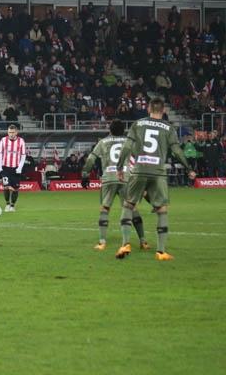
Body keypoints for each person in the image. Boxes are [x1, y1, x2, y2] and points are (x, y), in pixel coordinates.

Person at [115, 99, 196, 261]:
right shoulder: (168, 127)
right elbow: (177, 151)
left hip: (139, 170)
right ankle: (161, 252)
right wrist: (189, 168)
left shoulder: (138, 124)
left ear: (148, 108)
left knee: (129, 205)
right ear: (163, 110)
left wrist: (119, 168)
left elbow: (126, 147)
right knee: (162, 210)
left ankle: (125, 243)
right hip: (158, 172)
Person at [81, 120, 148, 251]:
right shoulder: (129, 141)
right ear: (124, 131)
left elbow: (90, 159)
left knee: (105, 208)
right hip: (126, 177)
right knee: (132, 209)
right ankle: (143, 241)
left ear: (110, 130)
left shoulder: (102, 142)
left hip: (109, 178)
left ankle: (102, 242)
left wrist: (85, 174)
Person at [0, 124, 26, 211]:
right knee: (6, 187)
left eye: (13, 132)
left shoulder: (21, 141)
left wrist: (19, 168)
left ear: (16, 132)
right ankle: (7, 204)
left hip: (16, 168)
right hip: (5, 168)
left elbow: (23, 155)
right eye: (9, 132)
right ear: (7, 132)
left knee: (15, 189)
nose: (11, 134)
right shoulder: (3, 140)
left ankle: (12, 206)